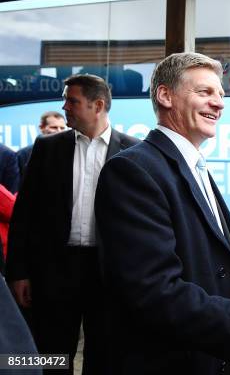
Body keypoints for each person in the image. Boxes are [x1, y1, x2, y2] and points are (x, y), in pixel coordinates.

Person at [94, 52, 230, 375]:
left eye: (221, 94)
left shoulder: (194, 166)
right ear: (165, 96)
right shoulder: (132, 171)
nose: (219, 103)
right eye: (205, 92)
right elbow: (158, 295)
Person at [5, 74, 139, 374]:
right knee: (51, 353)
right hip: (55, 269)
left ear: (98, 105)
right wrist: (19, 272)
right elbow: (24, 215)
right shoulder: (46, 148)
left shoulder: (134, 152)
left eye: (72, 101)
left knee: (104, 353)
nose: (64, 106)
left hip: (108, 273)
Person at [16, 111, 67, 179]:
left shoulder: (70, 152)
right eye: (54, 127)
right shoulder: (23, 154)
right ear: (41, 128)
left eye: (62, 128)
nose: (59, 131)